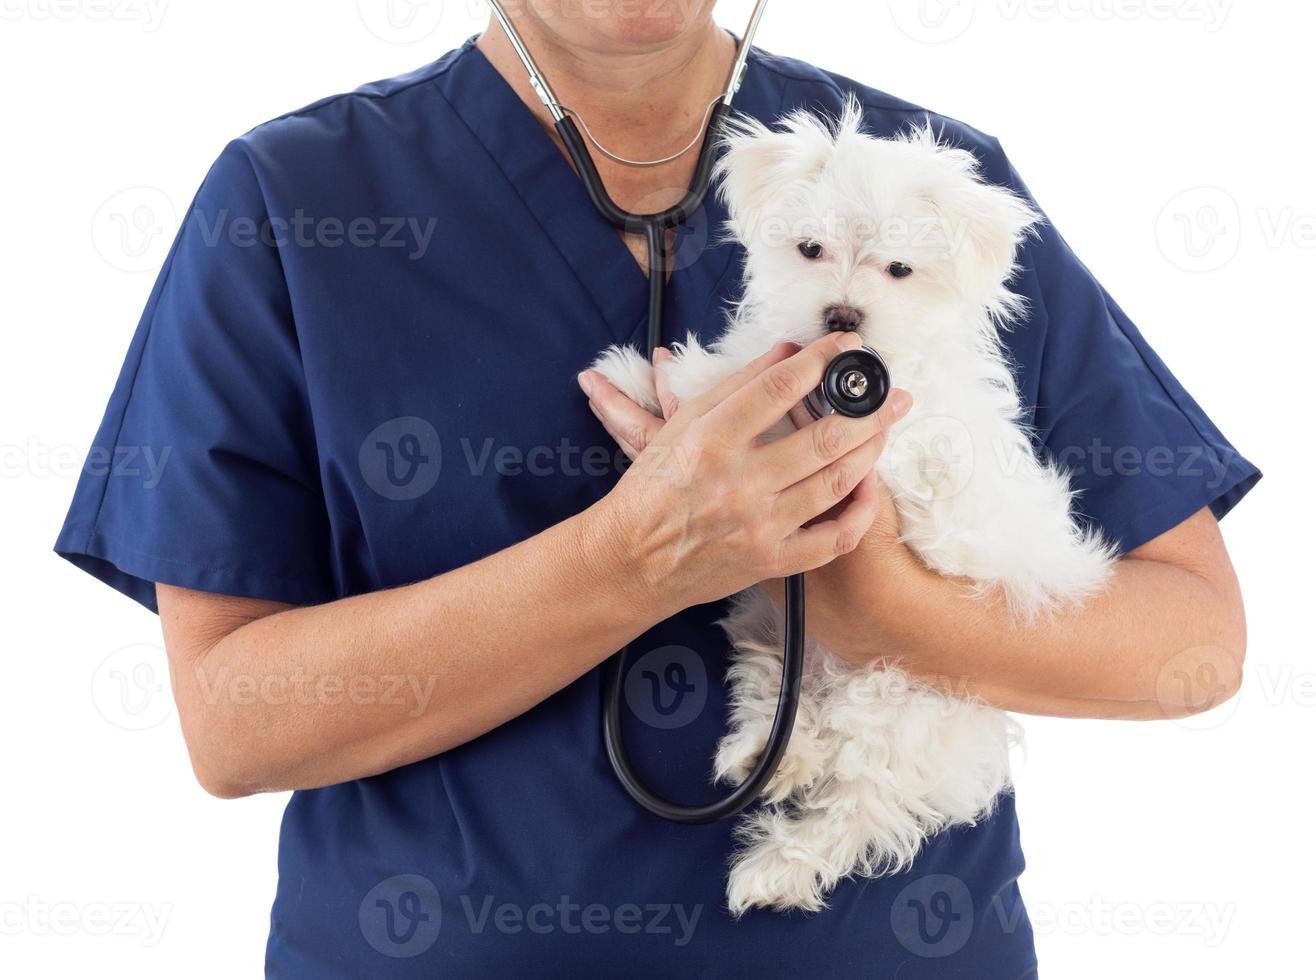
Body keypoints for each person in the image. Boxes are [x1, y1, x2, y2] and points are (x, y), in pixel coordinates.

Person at [56, 2, 1258, 976]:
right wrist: (628, 560)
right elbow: (230, 720)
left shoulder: (926, 189)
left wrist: (874, 601)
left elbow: (1192, 642)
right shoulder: (291, 203)